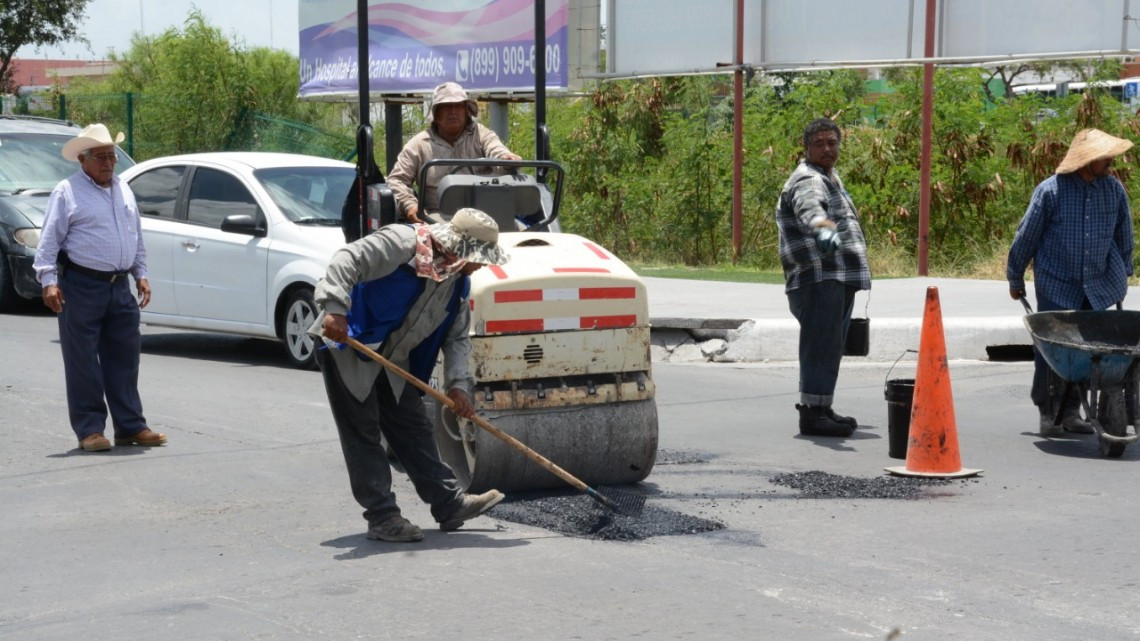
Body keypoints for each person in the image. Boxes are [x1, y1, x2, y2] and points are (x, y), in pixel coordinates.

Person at [311, 207, 509, 542]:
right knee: (363, 432)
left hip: (395, 359)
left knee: (412, 427)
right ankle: (382, 517)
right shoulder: (402, 244)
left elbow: (457, 338)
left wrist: (458, 387)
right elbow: (347, 259)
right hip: (350, 345)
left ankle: (449, 503)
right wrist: (334, 308)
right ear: (458, 248)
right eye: (480, 257)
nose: (482, 264)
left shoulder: (458, 283)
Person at [32, 123, 165, 452]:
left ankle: (130, 426)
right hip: (81, 286)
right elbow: (48, 242)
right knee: (83, 362)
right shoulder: (67, 191)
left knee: (125, 358)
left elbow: (136, 237)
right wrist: (49, 282)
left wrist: (141, 273)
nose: (108, 163)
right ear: (83, 159)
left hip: (119, 287)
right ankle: (90, 429)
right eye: (101, 157)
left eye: (112, 157)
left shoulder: (124, 189)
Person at [1007, 128, 1134, 436]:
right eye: (1104, 157)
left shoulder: (1113, 190)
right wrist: (1015, 275)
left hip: (1098, 283)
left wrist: (1125, 270)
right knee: (1054, 352)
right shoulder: (1051, 191)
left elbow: (1124, 234)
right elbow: (1027, 235)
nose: (1110, 162)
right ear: (1087, 159)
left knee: (1091, 352)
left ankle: (1074, 412)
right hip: (1058, 283)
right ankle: (1050, 412)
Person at [775, 117, 872, 437]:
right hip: (821, 278)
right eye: (819, 144)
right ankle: (814, 414)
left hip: (833, 277)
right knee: (821, 345)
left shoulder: (828, 175)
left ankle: (821, 407)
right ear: (806, 149)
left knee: (828, 345)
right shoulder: (809, 180)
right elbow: (812, 212)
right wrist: (828, 242)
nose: (827, 149)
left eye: (832, 143)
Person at [387, 82, 521, 224]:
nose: (453, 111)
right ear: (436, 114)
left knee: (526, 237)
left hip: (486, 215)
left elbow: (496, 150)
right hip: (437, 219)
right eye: (446, 107)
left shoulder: (481, 134)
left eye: (458, 106)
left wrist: (506, 159)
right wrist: (410, 205)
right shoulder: (419, 144)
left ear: (466, 110)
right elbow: (396, 180)